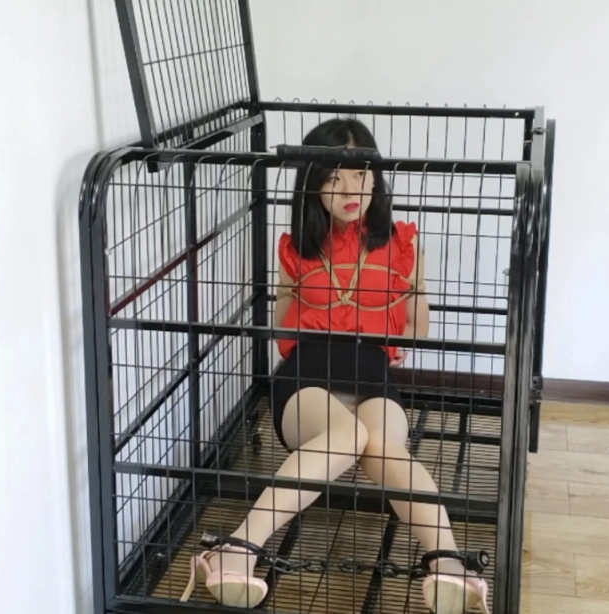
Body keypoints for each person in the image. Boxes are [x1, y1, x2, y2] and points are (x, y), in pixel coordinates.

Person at [181, 118, 490, 614]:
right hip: (308, 374)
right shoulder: (296, 249)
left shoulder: (403, 244)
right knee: (348, 435)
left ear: (376, 176)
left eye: (361, 173)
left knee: (382, 444)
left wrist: (384, 323)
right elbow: (283, 330)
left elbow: (416, 327)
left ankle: (447, 563)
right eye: (333, 178)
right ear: (313, 184)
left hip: (372, 374)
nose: (351, 189)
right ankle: (236, 549)